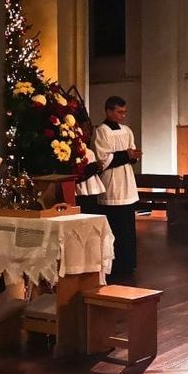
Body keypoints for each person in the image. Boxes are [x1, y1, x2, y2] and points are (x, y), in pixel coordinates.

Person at [94, 96, 141, 276]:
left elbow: (131, 152)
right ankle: (115, 266)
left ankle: (128, 263)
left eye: (124, 112)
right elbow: (102, 159)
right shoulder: (102, 131)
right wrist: (126, 155)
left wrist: (133, 155)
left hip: (127, 183)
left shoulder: (127, 130)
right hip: (112, 184)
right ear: (109, 111)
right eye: (119, 112)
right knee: (115, 228)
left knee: (128, 228)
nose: (123, 115)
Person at [75, 119, 105, 214]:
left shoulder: (90, 152)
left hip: (91, 191)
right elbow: (79, 174)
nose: (89, 133)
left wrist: (98, 167)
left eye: (90, 130)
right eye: (86, 129)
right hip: (80, 192)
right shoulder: (75, 151)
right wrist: (94, 167)